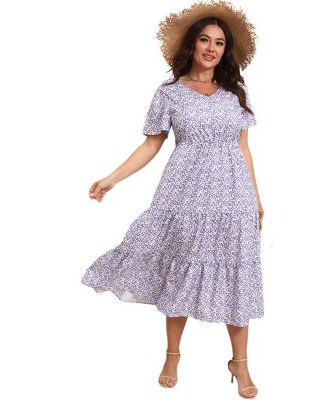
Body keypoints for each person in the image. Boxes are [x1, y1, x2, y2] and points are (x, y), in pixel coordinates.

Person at [81, 1, 264, 398]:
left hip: (233, 198)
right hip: (185, 195)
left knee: (237, 274)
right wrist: (112, 179)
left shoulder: (235, 93)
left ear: (226, 50)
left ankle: (241, 362)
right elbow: (151, 145)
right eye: (205, 40)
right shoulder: (169, 94)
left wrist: (256, 198)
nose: (211, 48)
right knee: (181, 271)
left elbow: (243, 147)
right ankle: (172, 354)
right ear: (192, 44)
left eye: (219, 43)